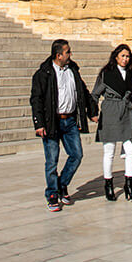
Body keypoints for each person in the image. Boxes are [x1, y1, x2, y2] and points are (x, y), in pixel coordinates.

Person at [30, 39, 98, 212]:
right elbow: (36, 100)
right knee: (51, 161)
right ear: (58, 55)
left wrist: (92, 112)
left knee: (77, 155)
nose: (70, 55)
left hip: (70, 121)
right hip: (52, 122)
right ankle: (52, 193)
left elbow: (83, 92)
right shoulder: (43, 73)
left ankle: (62, 184)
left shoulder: (72, 70)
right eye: (68, 52)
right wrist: (38, 123)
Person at [91, 44, 132, 202]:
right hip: (111, 112)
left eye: (127, 56)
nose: (125, 59)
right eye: (122, 56)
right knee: (109, 151)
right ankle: (108, 184)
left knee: (131, 149)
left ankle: (128, 184)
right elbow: (94, 94)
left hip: (128, 113)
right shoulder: (106, 74)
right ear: (116, 57)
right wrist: (93, 113)